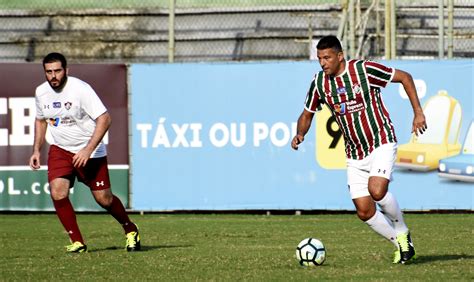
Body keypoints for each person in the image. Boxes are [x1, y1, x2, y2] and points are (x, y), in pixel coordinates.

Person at [291, 36, 427, 264]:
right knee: (364, 210)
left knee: (377, 190)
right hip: (355, 153)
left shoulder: (364, 70)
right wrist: (300, 134)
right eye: (319, 58)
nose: (323, 63)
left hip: (381, 139)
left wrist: (418, 113)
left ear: (340, 55)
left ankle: (402, 231)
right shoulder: (320, 83)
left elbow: (405, 77)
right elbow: (307, 113)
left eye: (327, 57)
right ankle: (402, 244)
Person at [29, 52, 141, 253]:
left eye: (57, 71)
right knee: (58, 191)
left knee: (103, 199)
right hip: (60, 149)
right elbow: (40, 120)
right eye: (49, 72)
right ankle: (78, 242)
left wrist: (88, 150)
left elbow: (105, 119)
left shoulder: (81, 89)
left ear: (66, 71)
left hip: (90, 150)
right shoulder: (41, 92)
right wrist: (36, 150)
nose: (53, 76)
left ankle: (130, 229)